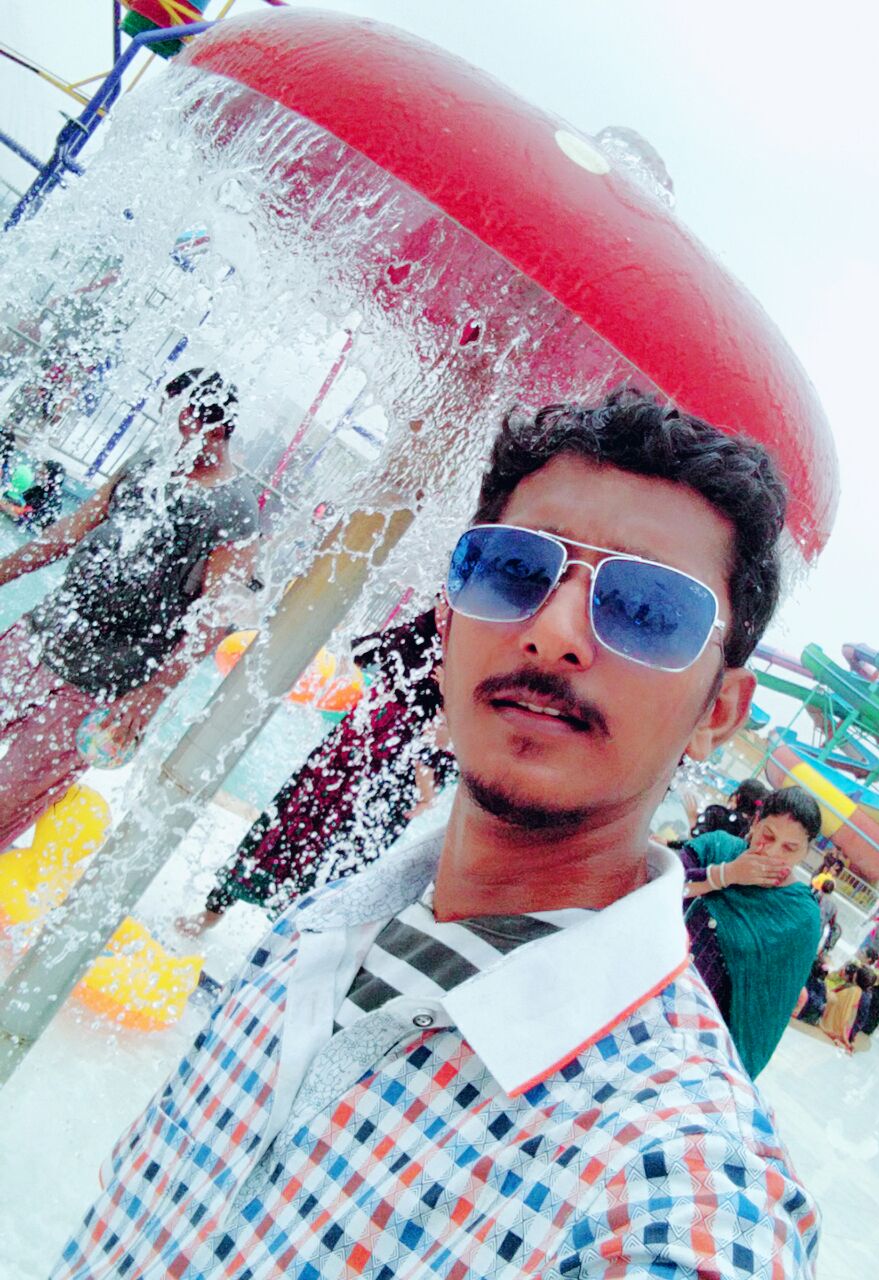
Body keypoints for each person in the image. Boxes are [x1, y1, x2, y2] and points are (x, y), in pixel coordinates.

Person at [54, 390, 820, 1278]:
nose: (553, 634)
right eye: (514, 570)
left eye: (648, 610)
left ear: (719, 710)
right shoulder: (310, 936)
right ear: (449, 621)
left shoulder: (670, 1181)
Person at [0, 368, 260, 848]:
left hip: (101, 683)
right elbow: (71, 531)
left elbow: (213, 615)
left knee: (9, 794)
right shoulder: (148, 465)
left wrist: (154, 691)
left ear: (215, 428)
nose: (168, 431)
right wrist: (4, 570)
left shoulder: (235, 508)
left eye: (179, 419)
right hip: (40, 635)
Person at [177, 609, 459, 934]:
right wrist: (427, 794)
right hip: (376, 776)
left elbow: (359, 652)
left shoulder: (433, 636)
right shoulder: (450, 650)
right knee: (327, 860)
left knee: (284, 833)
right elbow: (433, 743)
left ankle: (215, 915)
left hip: (352, 758)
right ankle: (284, 934)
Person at [680, 787, 823, 1075]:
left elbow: (768, 1011)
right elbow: (656, 885)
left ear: (806, 852)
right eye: (767, 836)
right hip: (644, 992)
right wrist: (726, 874)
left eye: (789, 848)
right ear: (756, 822)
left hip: (701, 1047)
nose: (771, 852)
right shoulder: (717, 848)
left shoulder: (801, 916)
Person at [686, 775, 768, 840]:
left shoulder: (716, 813)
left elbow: (694, 843)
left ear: (738, 796)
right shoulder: (748, 833)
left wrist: (692, 821)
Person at [0, 457, 65, 531]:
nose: (37, 474)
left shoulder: (51, 501)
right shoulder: (38, 489)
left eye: (42, 473)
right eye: (39, 471)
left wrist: (5, 507)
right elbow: (19, 502)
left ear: (51, 479)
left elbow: (27, 523)